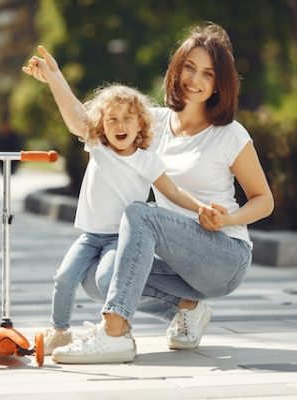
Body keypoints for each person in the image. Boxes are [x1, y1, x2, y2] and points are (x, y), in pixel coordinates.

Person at [26, 22, 274, 364]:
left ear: (220, 84)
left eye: (208, 73)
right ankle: (188, 308)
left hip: (223, 256)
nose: (195, 80)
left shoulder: (229, 134)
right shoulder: (153, 124)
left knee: (139, 213)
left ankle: (114, 333)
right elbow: (87, 126)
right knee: (98, 277)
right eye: (189, 67)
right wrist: (55, 79)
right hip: (176, 259)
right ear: (177, 69)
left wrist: (228, 218)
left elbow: (264, 200)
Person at [23, 56, 212, 355]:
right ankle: (59, 331)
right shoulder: (98, 146)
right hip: (90, 236)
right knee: (64, 277)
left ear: (140, 124)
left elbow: (173, 191)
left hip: (118, 239)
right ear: (102, 125)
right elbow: (74, 114)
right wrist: (54, 76)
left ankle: (120, 329)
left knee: (106, 280)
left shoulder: (146, 160)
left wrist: (201, 208)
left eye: (127, 118)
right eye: (112, 119)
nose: (119, 125)